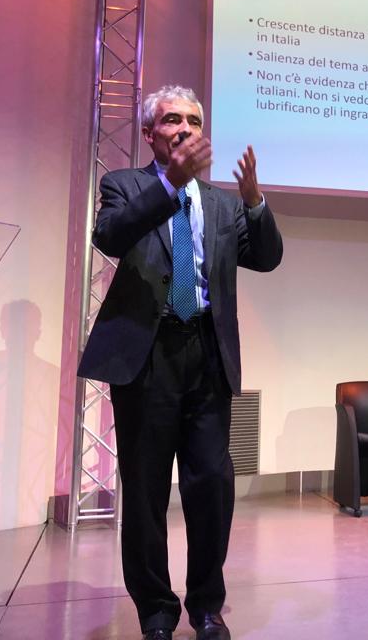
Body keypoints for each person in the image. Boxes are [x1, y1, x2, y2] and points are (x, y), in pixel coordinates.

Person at [77, 85, 283, 640]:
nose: (186, 129)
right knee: (146, 491)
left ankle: (207, 606)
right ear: (150, 133)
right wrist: (169, 183)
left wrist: (255, 203)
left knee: (212, 485)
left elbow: (266, 258)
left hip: (208, 354)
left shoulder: (221, 204)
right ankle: (156, 611)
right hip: (148, 356)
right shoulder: (125, 185)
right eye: (173, 120)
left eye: (194, 120)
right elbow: (110, 236)